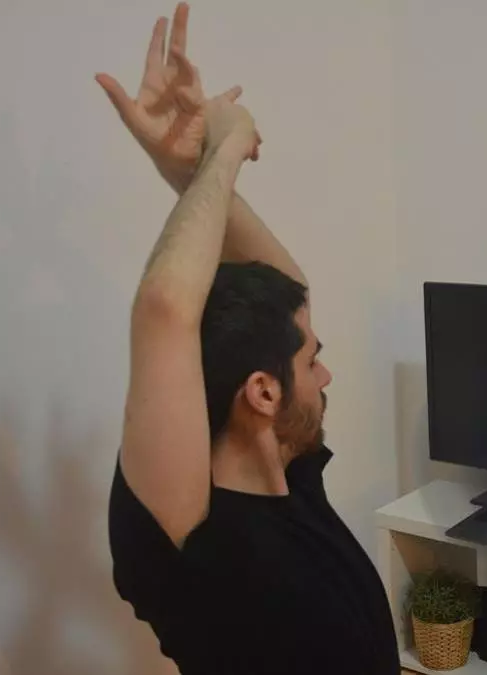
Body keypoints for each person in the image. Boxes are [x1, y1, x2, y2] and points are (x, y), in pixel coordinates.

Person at [97, 5, 399, 674]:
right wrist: (227, 147)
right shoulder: (194, 546)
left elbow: (288, 289)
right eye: (312, 361)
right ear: (262, 391)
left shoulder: (288, 473)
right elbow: (163, 309)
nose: (326, 375)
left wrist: (190, 168)